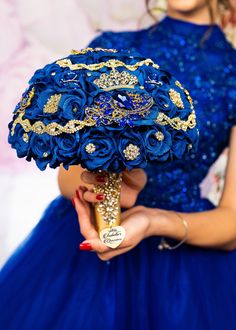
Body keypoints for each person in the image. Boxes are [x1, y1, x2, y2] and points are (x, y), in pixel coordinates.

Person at [0, 0, 236, 329]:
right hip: (80, 252)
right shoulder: (110, 51)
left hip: (183, 268)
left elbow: (232, 222)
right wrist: (105, 186)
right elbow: (68, 178)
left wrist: (155, 221)